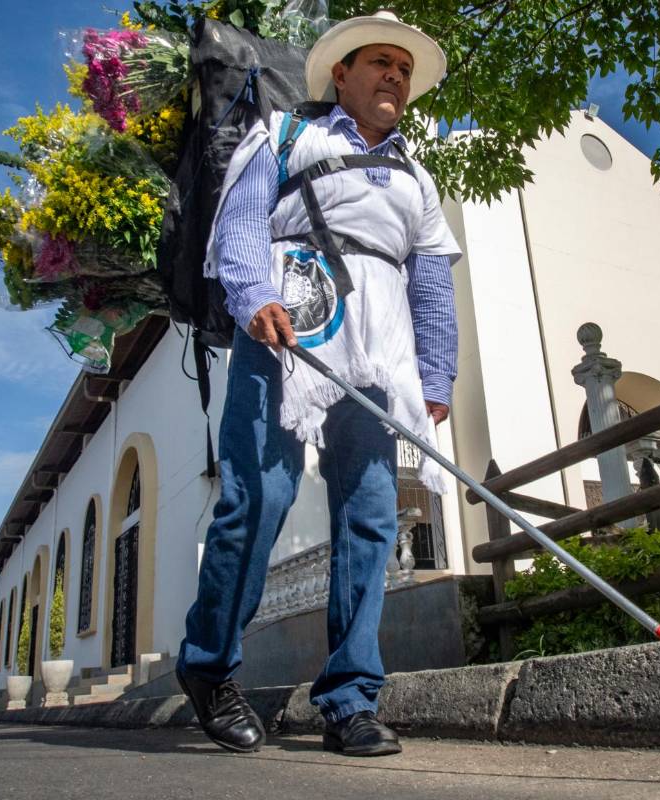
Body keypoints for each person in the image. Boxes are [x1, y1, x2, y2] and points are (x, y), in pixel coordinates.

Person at [177, 11, 460, 758]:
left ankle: (351, 699)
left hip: (377, 356)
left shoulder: (417, 178)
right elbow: (241, 222)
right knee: (257, 495)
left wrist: (436, 376)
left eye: (403, 67)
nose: (394, 76)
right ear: (343, 74)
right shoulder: (288, 136)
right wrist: (250, 297)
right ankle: (209, 667)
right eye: (379, 62)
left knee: (370, 517)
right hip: (288, 325)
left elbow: (431, 281)